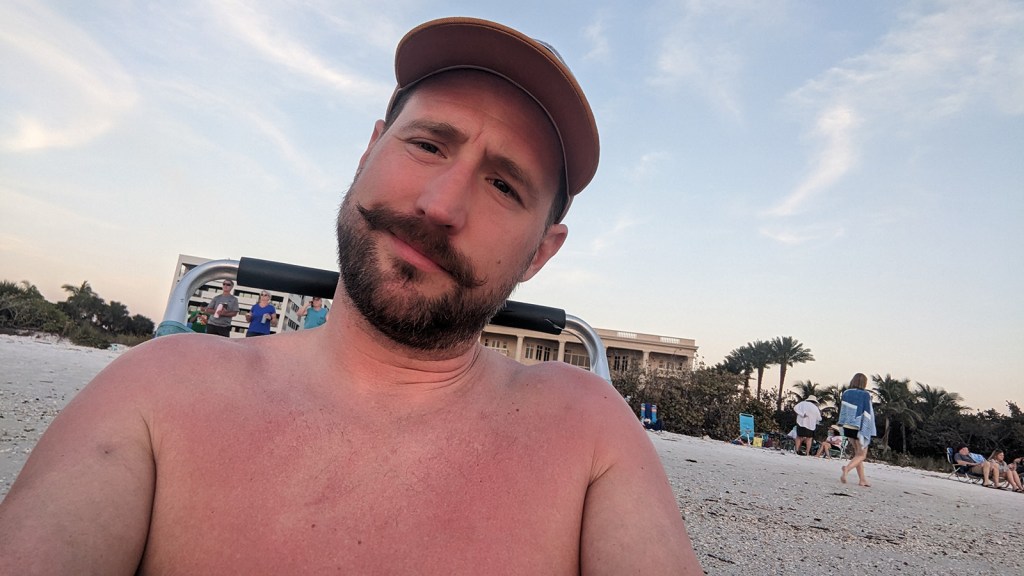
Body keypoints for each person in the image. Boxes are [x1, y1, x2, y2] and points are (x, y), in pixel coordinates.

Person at [0, 17, 702, 574]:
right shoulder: (161, 389)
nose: (440, 205)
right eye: (428, 145)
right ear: (369, 150)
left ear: (541, 253)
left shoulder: (589, 432)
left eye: (503, 185)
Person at [837, 373, 877, 487]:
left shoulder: (846, 393)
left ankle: (862, 480)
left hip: (847, 426)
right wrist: (868, 429)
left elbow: (844, 410)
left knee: (857, 454)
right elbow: (868, 413)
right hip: (859, 427)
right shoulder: (865, 395)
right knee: (862, 455)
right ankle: (847, 469)